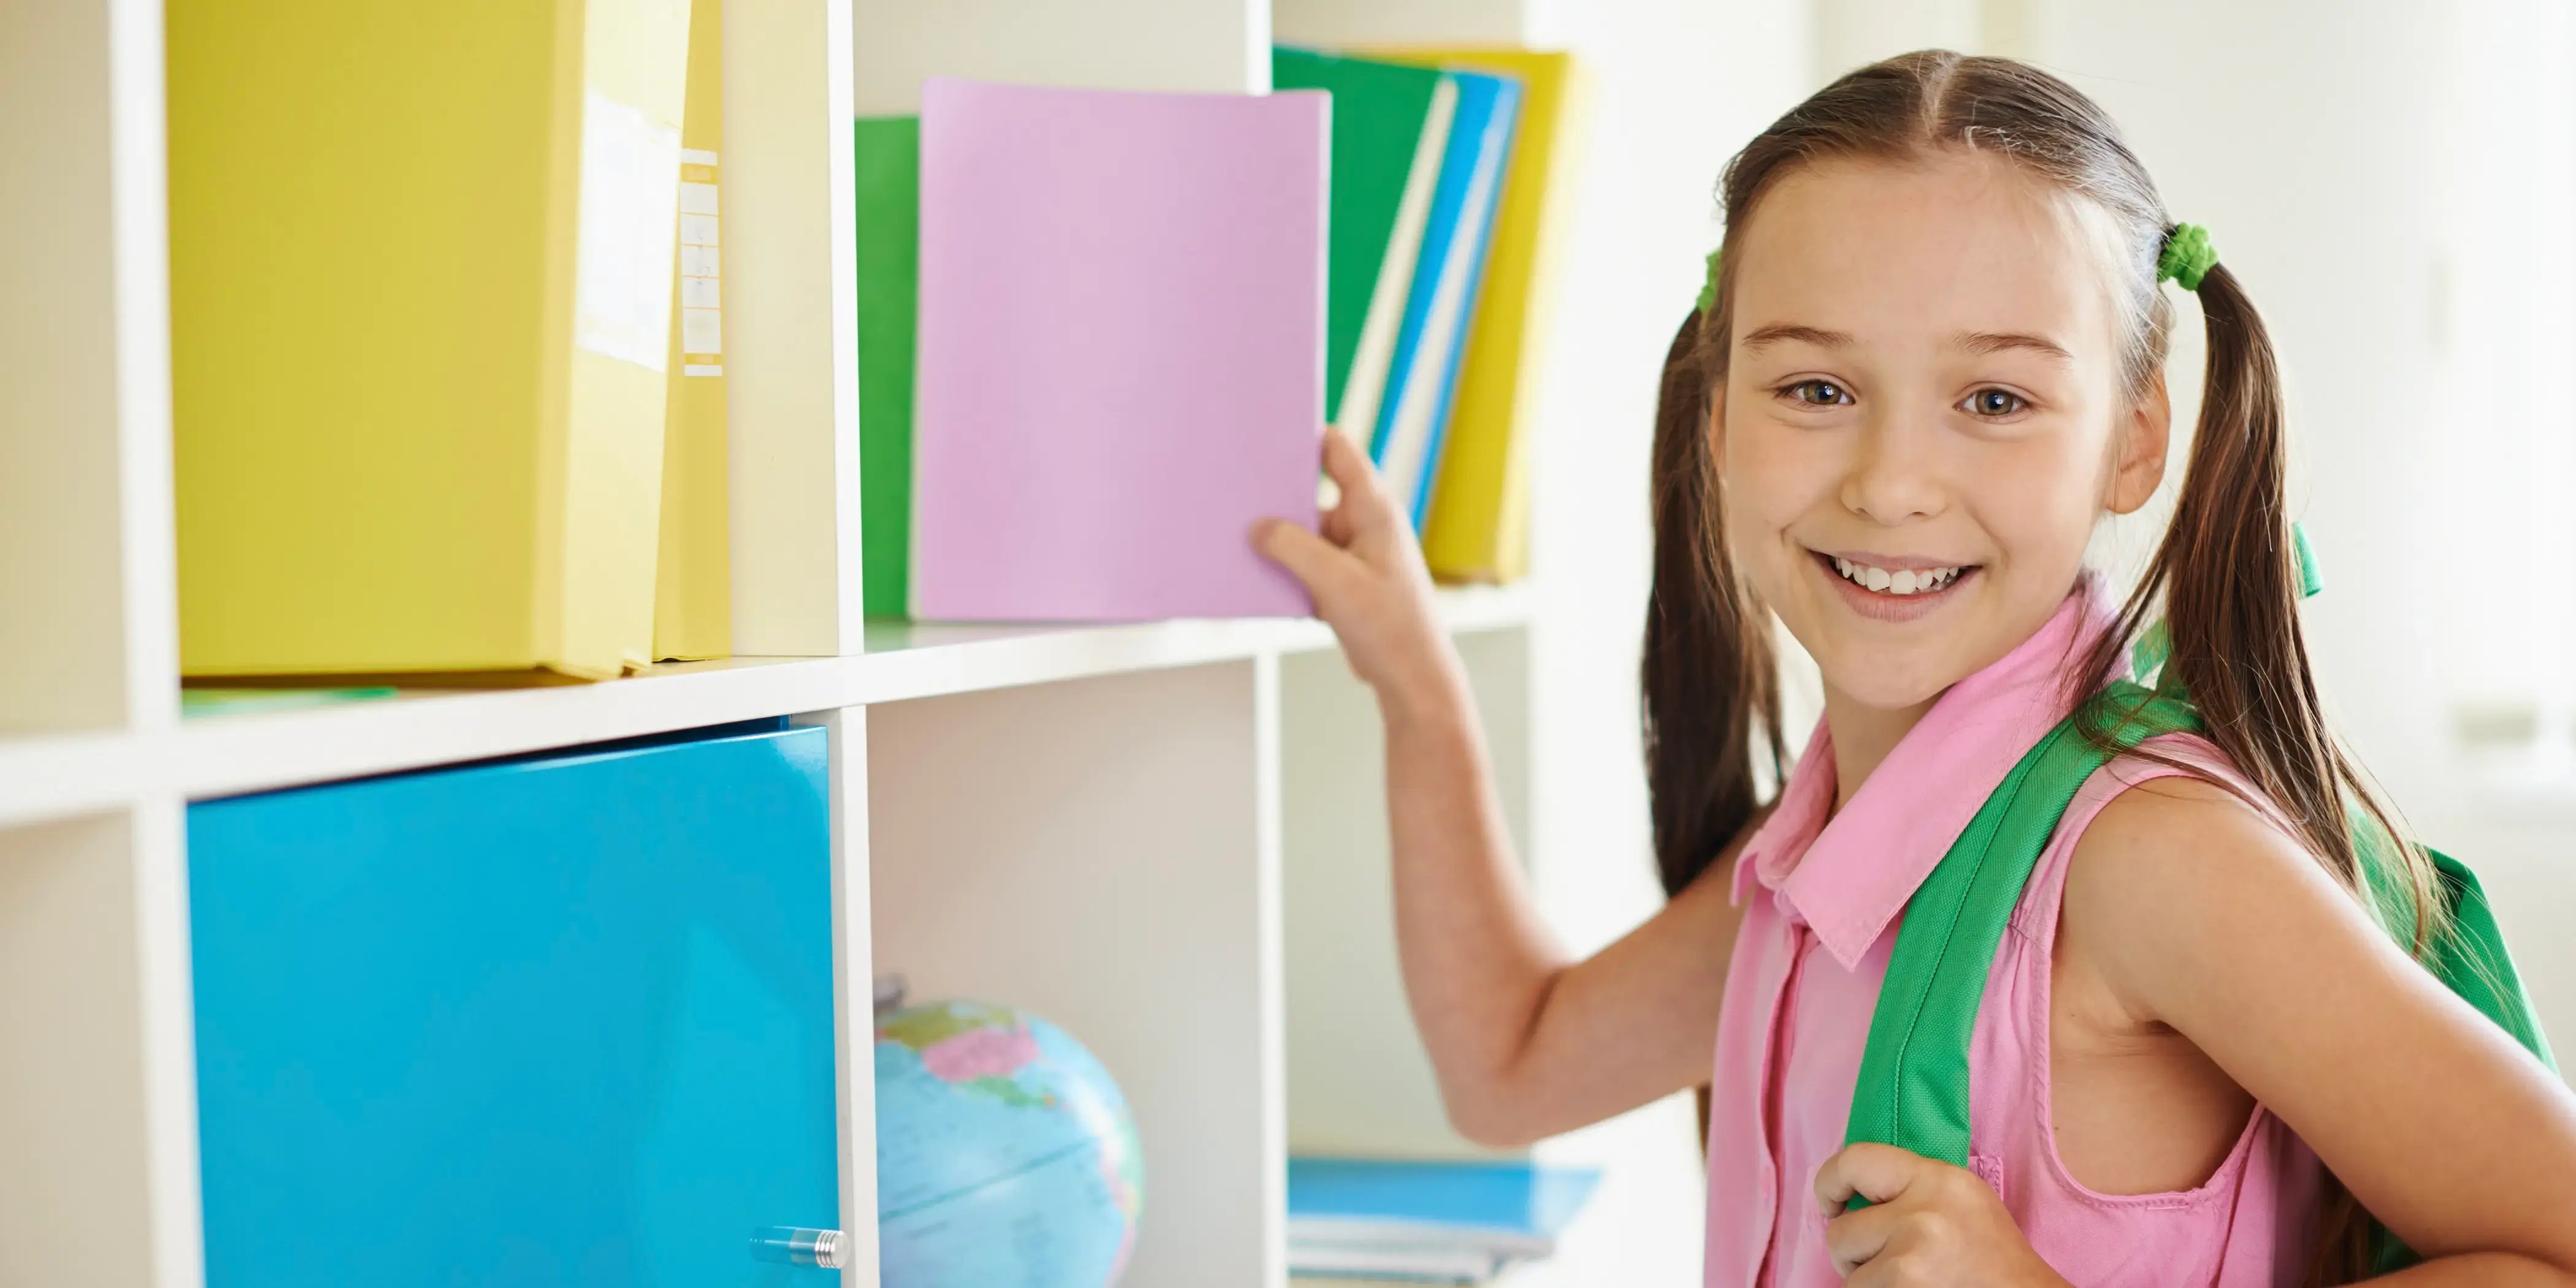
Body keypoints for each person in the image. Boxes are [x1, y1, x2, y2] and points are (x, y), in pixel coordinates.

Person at [1254, 50, 2576, 1288]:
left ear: (2133, 439)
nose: (1890, 486)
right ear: (1715, 413)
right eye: (1815, 390)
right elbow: (1515, 1067)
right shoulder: (1822, 854)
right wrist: (1415, 683)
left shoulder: (2151, 860)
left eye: (1994, 401)